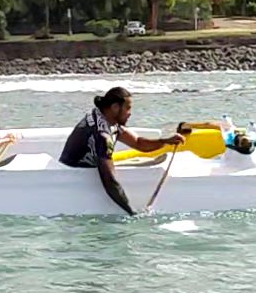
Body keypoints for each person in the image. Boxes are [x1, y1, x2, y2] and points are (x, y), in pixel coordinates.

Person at [59, 87, 187, 216]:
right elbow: (109, 181)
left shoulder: (105, 118)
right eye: (128, 108)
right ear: (115, 107)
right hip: (73, 178)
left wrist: (165, 141)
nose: (130, 113)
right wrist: (131, 213)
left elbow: (138, 143)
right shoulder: (102, 134)